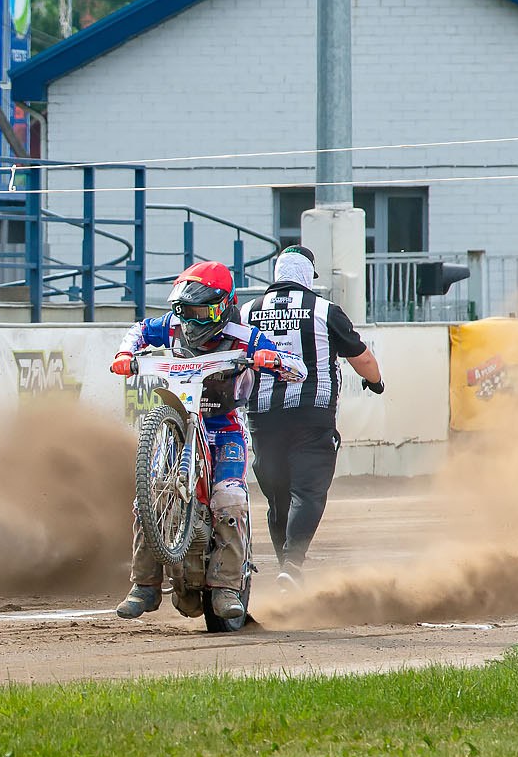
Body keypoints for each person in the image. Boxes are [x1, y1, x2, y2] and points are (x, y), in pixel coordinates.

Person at [107, 261, 299, 627]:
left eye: (202, 312)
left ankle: (227, 586)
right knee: (151, 495)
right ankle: (144, 584)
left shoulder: (244, 335)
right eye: (185, 312)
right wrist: (124, 355)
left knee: (230, 498)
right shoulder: (172, 328)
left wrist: (272, 359)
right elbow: (138, 331)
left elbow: (295, 366)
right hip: (178, 423)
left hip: (224, 427)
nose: (192, 322)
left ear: (224, 305)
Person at [239, 246, 383, 583]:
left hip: (263, 416)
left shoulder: (246, 311)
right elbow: (362, 359)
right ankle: (293, 565)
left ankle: (285, 567)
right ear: (307, 277)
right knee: (307, 492)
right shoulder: (324, 310)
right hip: (311, 415)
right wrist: (375, 382)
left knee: (277, 497)